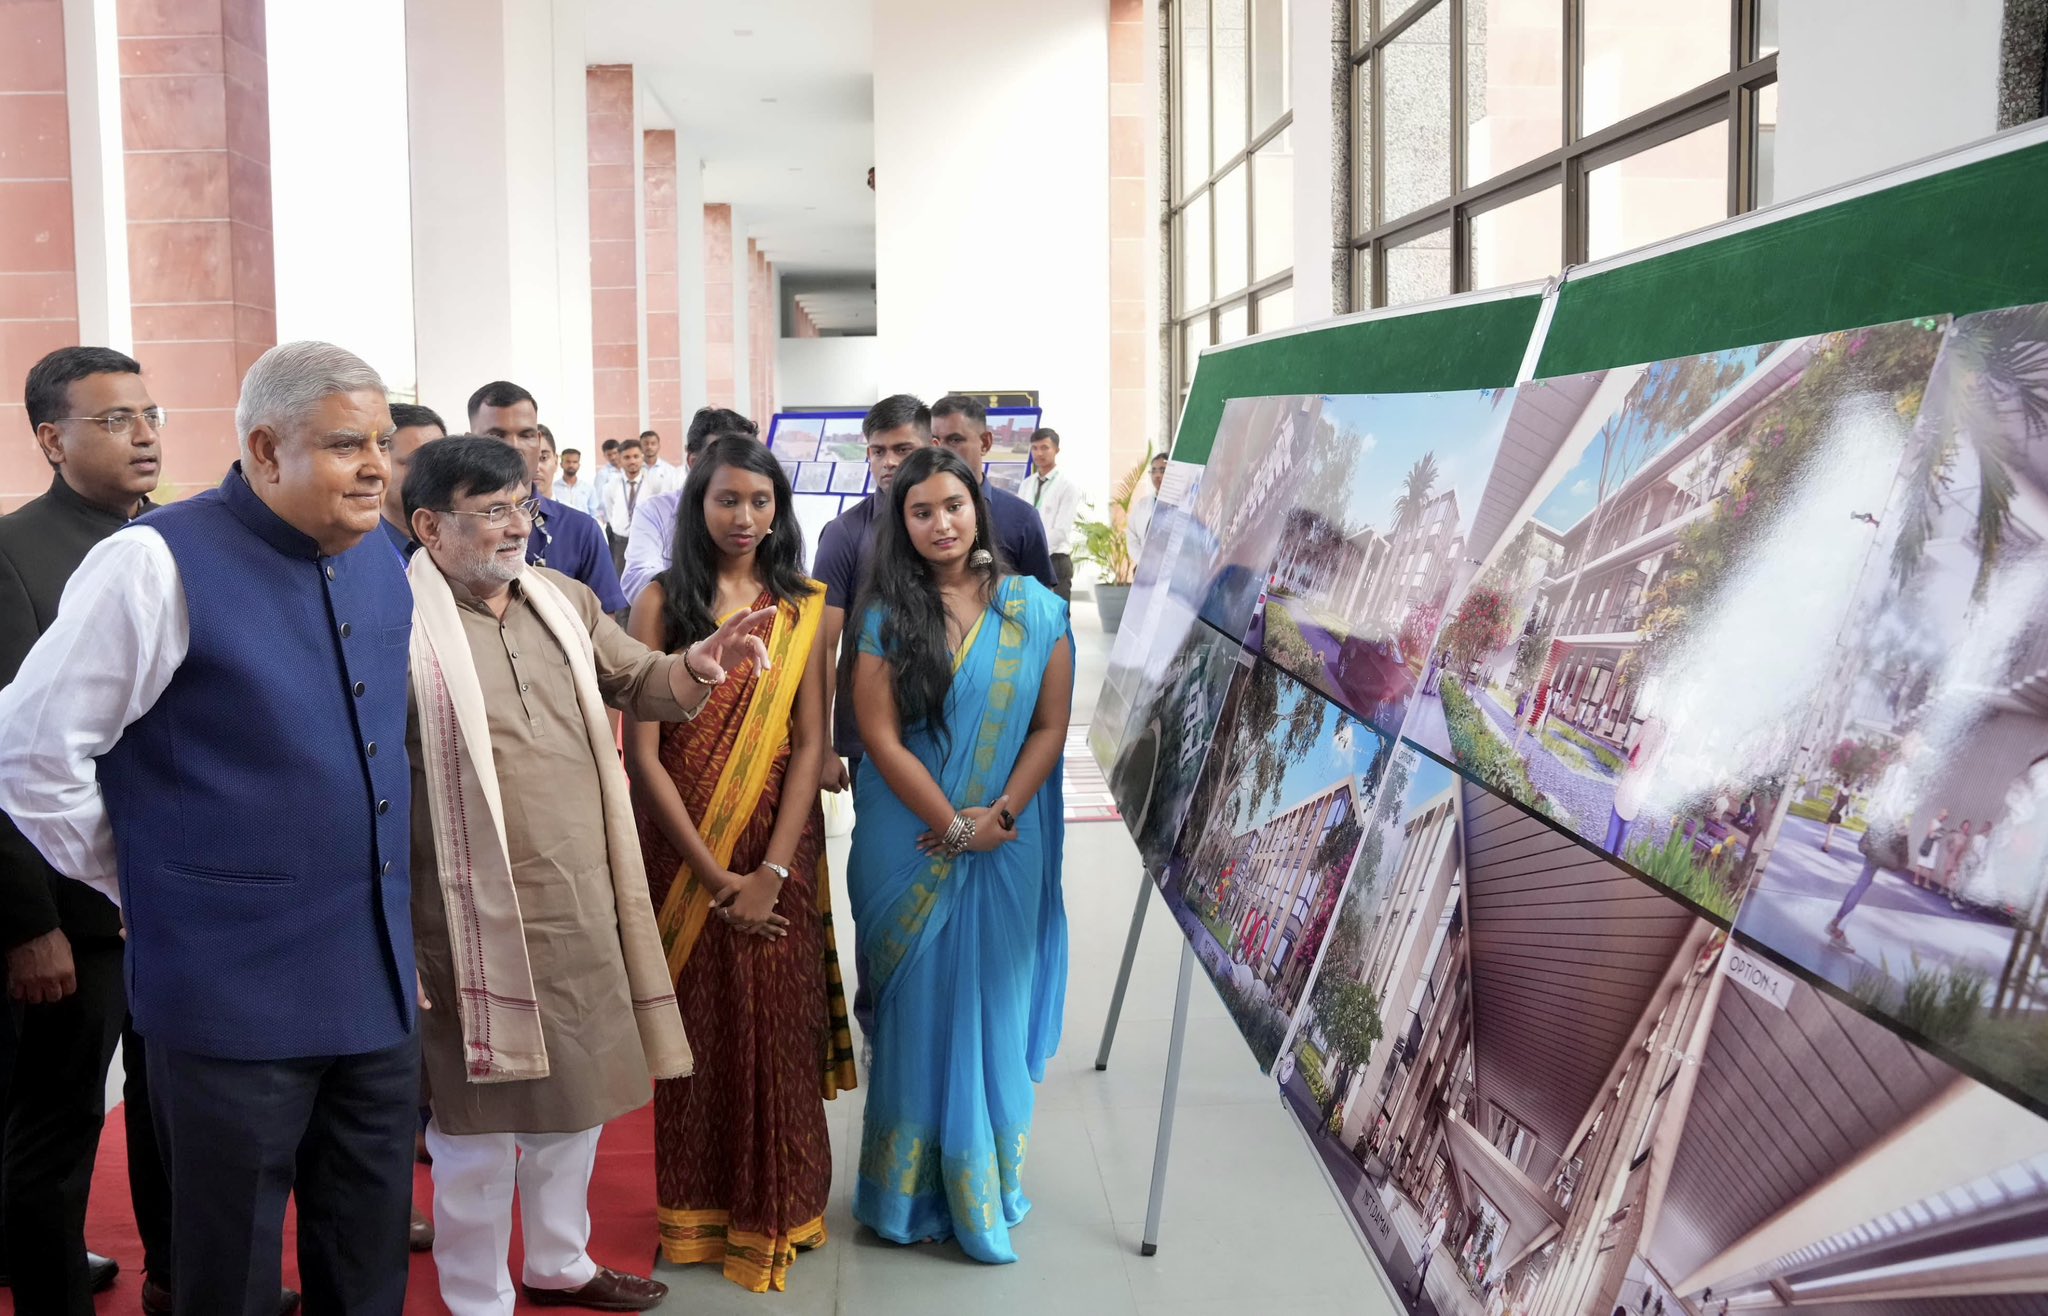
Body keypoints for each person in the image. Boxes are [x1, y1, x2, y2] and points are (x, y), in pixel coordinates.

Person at [0, 341, 418, 1316]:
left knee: (367, 1267)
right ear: (266, 451)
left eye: (384, 443)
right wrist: (138, 879)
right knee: (224, 1274)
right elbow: (29, 750)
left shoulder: (385, 559)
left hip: (376, 991)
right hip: (230, 998)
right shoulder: (151, 562)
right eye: (347, 443)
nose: (375, 466)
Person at [401, 437, 769, 1315]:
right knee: (477, 1132)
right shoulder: (389, 619)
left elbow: (638, 677)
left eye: (522, 506)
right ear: (427, 525)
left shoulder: (560, 598)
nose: (515, 527)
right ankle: (478, 1295)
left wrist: (697, 664)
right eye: (490, 511)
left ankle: (559, 1263)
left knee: (578, 1104)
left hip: (577, 900)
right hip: (456, 917)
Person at [624, 437, 857, 1292]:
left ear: (780, 509)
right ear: (698, 504)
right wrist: (713, 875)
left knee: (776, 1018)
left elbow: (810, 745)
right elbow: (641, 757)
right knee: (702, 1024)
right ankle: (698, 1210)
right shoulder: (660, 606)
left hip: (777, 843)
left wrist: (772, 873)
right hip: (683, 846)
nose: (746, 518)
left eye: (762, 502)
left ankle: (785, 1202)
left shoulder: (802, 609)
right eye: (728, 500)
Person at [843, 446, 1071, 1262]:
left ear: (978, 507)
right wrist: (955, 823)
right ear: (900, 523)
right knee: (919, 1010)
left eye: (953, 506)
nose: (941, 524)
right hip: (908, 836)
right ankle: (904, 1197)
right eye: (921, 511)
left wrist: (998, 813)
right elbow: (877, 736)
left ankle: (984, 1190)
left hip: (1007, 838)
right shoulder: (885, 616)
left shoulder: (1034, 609)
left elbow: (1048, 727)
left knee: (992, 1009)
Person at [0, 347, 164, 1312]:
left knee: (171, 1115)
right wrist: (28, 921)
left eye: (150, 414)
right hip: (68, 910)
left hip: (169, 896)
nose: (144, 434)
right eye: (114, 420)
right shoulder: (14, 557)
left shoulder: (171, 543)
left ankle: (180, 1276)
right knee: (57, 1129)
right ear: (52, 440)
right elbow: (6, 758)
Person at [468, 380, 627, 612]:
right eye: (496, 435)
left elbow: (604, 630)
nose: (514, 448)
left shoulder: (580, 530)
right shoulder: (452, 528)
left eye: (526, 435)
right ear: (470, 440)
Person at [620, 407, 760, 605]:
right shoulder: (655, 512)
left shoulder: (767, 510)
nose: (740, 468)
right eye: (727, 457)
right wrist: (709, 592)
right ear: (694, 462)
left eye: (747, 456)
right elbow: (636, 580)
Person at [928, 394, 1057, 591]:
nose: (943, 452)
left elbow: (1043, 605)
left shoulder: (1021, 518)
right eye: (936, 441)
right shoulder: (918, 517)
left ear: (985, 443)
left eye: (955, 440)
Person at [377, 401, 446, 562]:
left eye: (442, 462)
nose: (433, 473)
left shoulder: (459, 542)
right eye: (416, 463)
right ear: (380, 464)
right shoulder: (356, 552)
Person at [1019, 427, 1083, 601]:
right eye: (1035, 448)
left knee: (1057, 619)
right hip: (1028, 561)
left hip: (1055, 560)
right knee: (1032, 616)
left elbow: (1061, 530)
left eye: (1045, 447)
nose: (1039, 453)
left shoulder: (1067, 485)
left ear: (1056, 450)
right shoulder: (1026, 484)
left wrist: (1034, 551)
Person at [604, 437, 652, 571]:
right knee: (620, 582)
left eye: (636, 456)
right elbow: (610, 512)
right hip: (620, 542)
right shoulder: (611, 485)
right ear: (620, 459)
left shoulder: (652, 483)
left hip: (646, 541)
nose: (632, 461)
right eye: (627, 457)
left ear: (642, 457)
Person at [1125, 453, 1169, 563]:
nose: (1157, 475)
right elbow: (1131, 537)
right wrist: (1143, 560)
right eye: (1153, 471)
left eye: (1162, 470)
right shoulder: (1142, 505)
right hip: (1144, 567)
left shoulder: (1181, 504)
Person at [553, 443, 601, 517]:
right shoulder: (553, 489)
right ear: (561, 464)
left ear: (579, 465)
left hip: (584, 527)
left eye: (575, 462)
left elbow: (594, 514)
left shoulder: (588, 488)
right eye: (568, 461)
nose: (571, 465)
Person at [1411, 1208, 1448, 1302]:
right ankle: (1408, 1281)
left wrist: (1432, 1250)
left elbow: (1439, 1240)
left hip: (1430, 1249)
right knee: (1417, 1263)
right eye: (1442, 1208)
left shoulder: (1444, 1224)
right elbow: (1432, 1221)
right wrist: (1438, 1213)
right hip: (1427, 1244)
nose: (1442, 1210)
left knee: (1423, 1274)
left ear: (1447, 1212)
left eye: (1444, 1209)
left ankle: (1417, 1298)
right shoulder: (1439, 1217)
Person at [640, 428, 684, 496]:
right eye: (646, 444)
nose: (649, 447)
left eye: (653, 443)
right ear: (640, 446)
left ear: (658, 446)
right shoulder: (634, 470)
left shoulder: (670, 471)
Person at [1822, 787, 1857, 854]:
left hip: (1835, 812)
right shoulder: (1848, 795)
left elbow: (1834, 802)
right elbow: (1849, 806)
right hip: (1840, 814)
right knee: (1833, 830)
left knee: (1830, 831)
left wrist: (1829, 810)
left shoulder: (1839, 792)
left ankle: (1826, 846)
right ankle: (1827, 845)